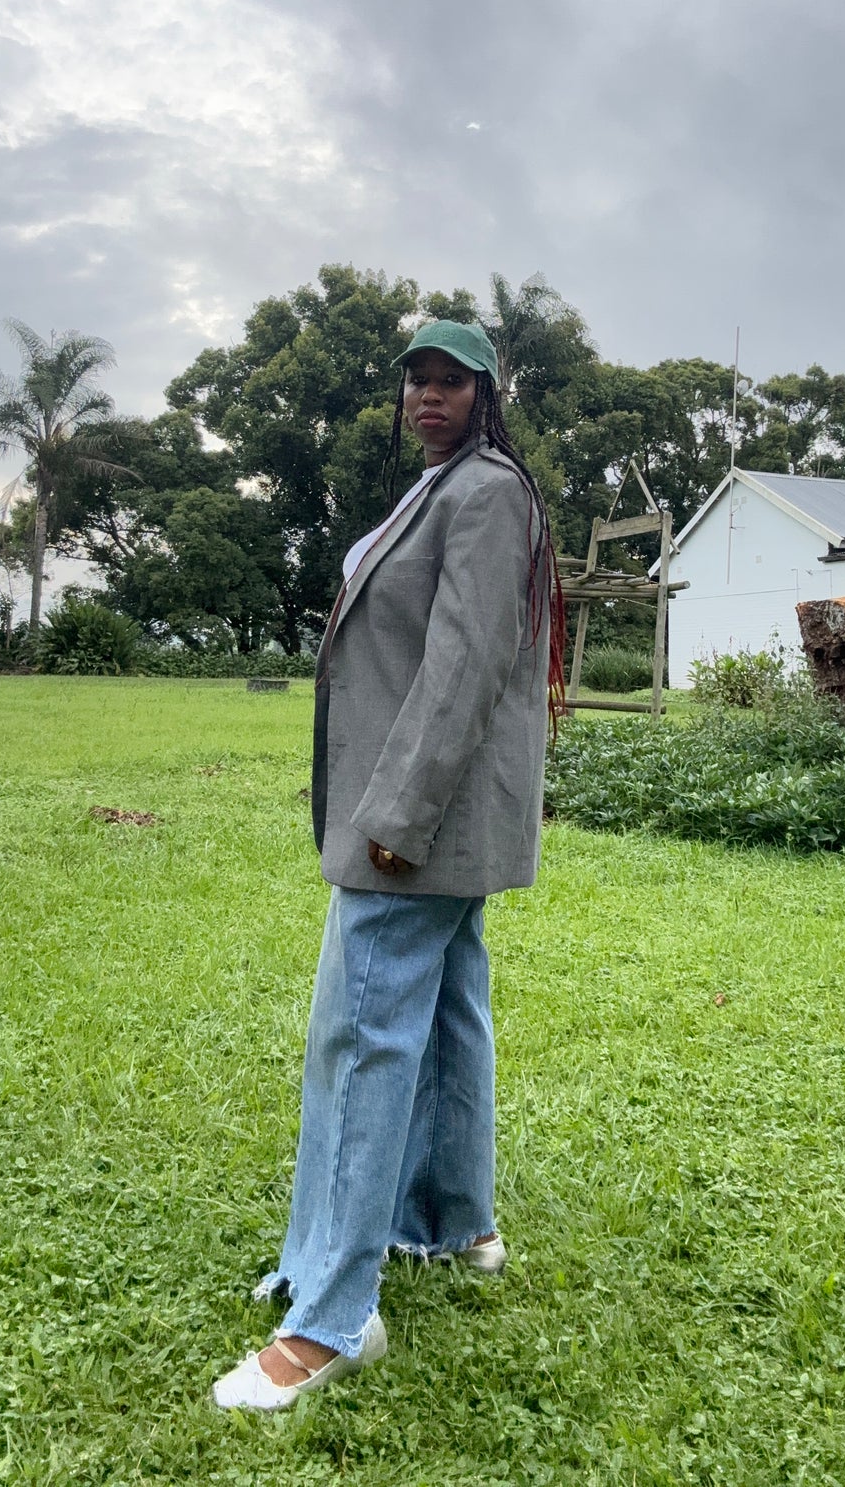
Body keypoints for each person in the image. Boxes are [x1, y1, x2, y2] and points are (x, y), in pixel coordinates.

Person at [213, 318, 565, 1412]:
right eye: (414, 379)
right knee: (451, 1010)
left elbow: (465, 662)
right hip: (439, 823)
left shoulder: (486, 490)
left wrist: (396, 811)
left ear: (485, 394)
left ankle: (329, 1314)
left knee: (360, 1034)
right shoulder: (438, 487)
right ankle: (454, 1222)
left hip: (416, 821)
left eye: (449, 381)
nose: (426, 395)